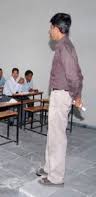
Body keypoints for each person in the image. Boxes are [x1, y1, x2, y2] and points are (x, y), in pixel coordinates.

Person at [37, 13, 83, 186]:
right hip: (59, 94)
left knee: (58, 137)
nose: (49, 32)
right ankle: (49, 167)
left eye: (50, 28)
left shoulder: (64, 48)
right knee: (52, 134)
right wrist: (77, 94)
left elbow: (75, 77)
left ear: (57, 28)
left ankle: (55, 177)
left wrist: (76, 95)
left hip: (62, 95)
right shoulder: (64, 46)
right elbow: (78, 74)